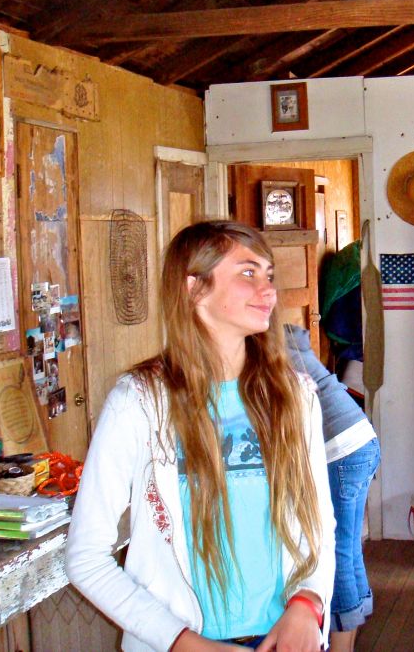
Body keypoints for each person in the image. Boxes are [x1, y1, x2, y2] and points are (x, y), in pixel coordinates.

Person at [66, 221, 335, 652]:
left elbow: (318, 522)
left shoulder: (294, 396)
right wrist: (183, 643)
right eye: (248, 273)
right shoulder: (139, 402)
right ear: (195, 289)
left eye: (269, 275)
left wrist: (308, 604)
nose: (267, 290)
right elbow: (85, 557)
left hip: (284, 638)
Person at [284, 324, 381, 652]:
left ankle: (341, 644)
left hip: (341, 449)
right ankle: (349, 637)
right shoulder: (291, 341)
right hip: (361, 441)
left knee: (337, 551)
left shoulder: (267, 350)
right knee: (350, 547)